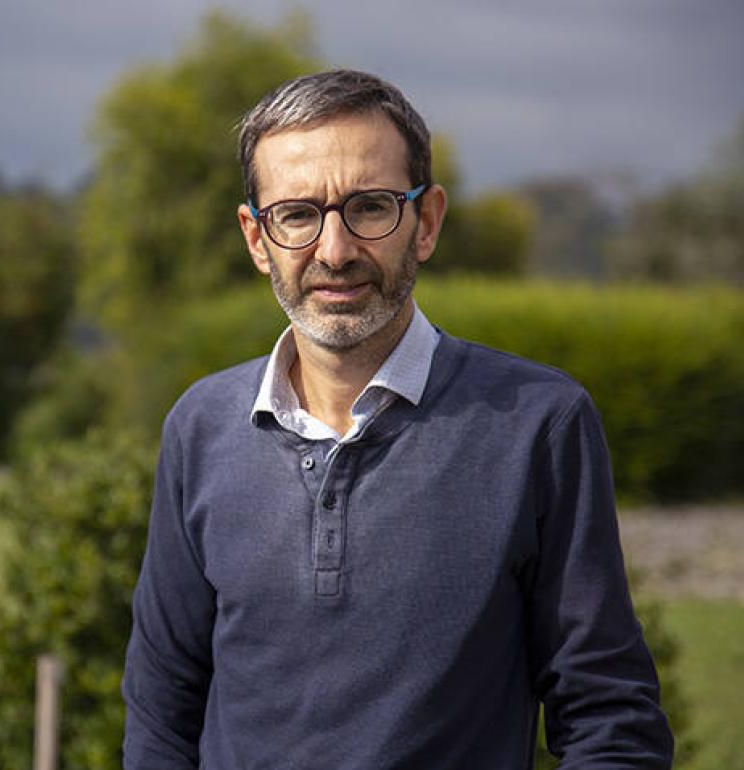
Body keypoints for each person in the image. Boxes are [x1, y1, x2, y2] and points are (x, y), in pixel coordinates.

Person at [121, 69, 673, 769]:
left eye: (371, 207)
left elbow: (610, 718)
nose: (335, 250)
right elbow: (161, 718)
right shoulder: (201, 428)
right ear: (257, 238)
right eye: (297, 215)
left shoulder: (539, 424)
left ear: (427, 222)